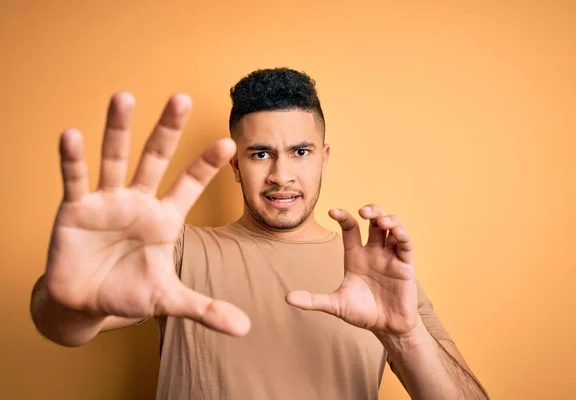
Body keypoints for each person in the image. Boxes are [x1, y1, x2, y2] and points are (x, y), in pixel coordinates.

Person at [30, 68, 489, 399]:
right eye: (261, 154)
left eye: (301, 151)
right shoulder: (179, 252)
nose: (282, 175)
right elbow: (60, 325)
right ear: (235, 165)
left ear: (324, 157)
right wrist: (70, 298)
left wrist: (406, 337)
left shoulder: (379, 275)